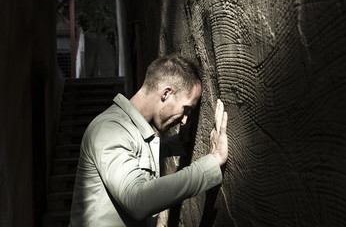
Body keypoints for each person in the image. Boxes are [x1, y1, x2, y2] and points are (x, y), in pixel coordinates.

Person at [69, 54, 228, 227]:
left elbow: (136, 154)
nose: (184, 120)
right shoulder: (110, 129)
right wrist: (211, 162)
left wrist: (178, 144)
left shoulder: (130, 129)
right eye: (186, 109)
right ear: (166, 93)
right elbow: (137, 200)